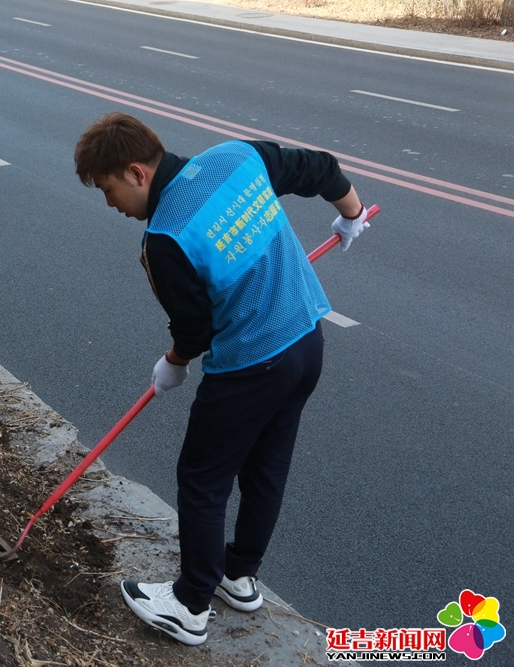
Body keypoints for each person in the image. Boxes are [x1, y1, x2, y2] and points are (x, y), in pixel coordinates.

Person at [74, 113, 368, 646]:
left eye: (108, 188)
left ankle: (190, 603)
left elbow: (196, 329)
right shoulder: (237, 158)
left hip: (251, 366)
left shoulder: (163, 240)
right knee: (266, 467)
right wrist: (351, 214)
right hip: (307, 340)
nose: (110, 202)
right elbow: (319, 169)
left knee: (203, 479)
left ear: (137, 172)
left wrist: (174, 363)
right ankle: (239, 574)